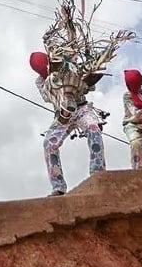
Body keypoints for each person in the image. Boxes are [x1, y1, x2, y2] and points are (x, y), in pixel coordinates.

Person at [31, 51, 108, 195]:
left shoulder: (66, 65)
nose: (45, 70)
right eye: (41, 70)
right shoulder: (40, 81)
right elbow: (47, 98)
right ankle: (58, 187)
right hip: (62, 115)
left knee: (93, 128)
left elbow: (87, 86)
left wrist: (87, 76)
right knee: (49, 144)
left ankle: (98, 172)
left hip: (81, 108)